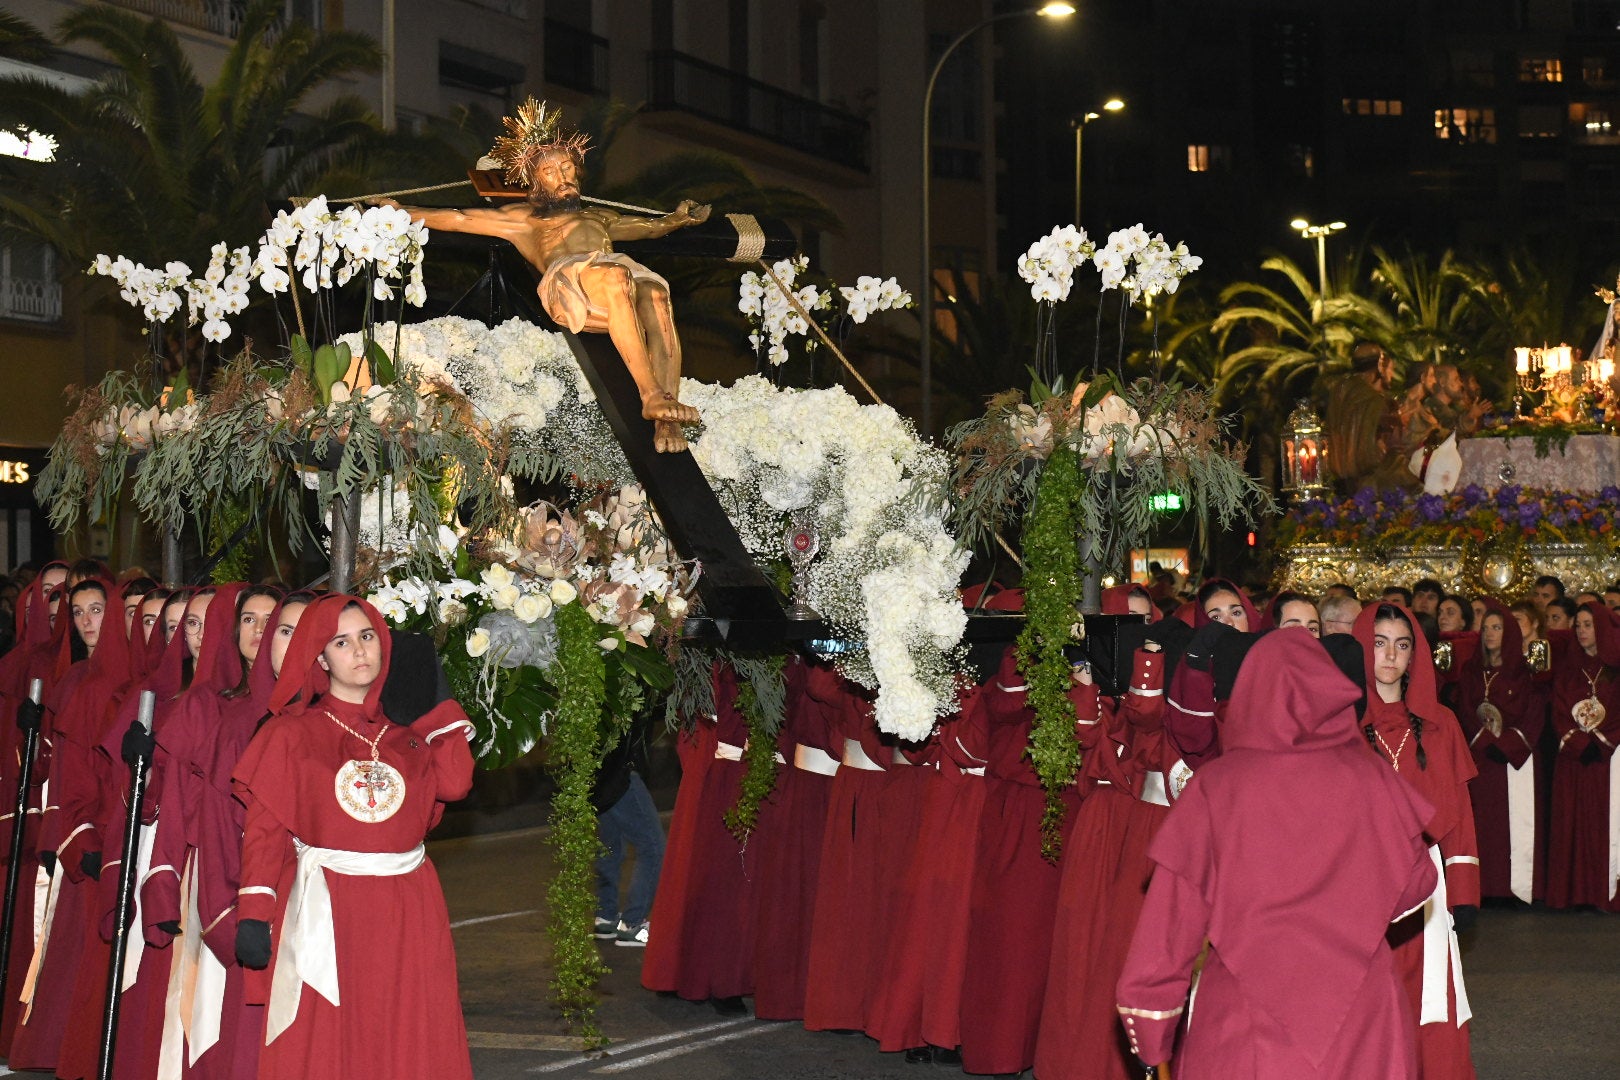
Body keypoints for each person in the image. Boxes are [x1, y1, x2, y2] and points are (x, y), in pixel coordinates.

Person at [1116, 630, 1437, 1080]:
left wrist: (1151, 1038)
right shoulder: (1371, 779)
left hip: (1247, 1014)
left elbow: (1170, 927)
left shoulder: (1218, 787)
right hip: (1362, 1011)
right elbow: (1416, 888)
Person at [232, 596, 476, 1080]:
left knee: (408, 1031)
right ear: (320, 659)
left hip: (408, 908)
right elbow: (264, 832)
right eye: (341, 642)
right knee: (332, 1043)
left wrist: (434, 703)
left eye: (367, 637)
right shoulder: (292, 734)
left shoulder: (408, 733)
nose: (359, 651)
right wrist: (255, 914)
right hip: (330, 907)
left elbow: (456, 785)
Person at [383, 99, 707, 452]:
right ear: (534, 182)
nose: (564, 177)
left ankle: (666, 421)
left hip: (613, 273)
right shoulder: (525, 220)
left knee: (657, 295)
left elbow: (648, 227)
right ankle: (650, 395)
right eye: (551, 172)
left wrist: (676, 219)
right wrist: (403, 211)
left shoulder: (600, 216)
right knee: (616, 276)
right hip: (569, 283)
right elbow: (460, 218)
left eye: (568, 168)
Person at [1352, 603, 1479, 1080]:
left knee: (1430, 1003)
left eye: (1402, 645)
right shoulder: (1341, 722)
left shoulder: (1441, 723)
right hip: (1360, 884)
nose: (1390, 656)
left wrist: (1463, 893)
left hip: (1426, 886)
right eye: (1380, 643)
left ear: (1415, 655)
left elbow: (1460, 815)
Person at [1453, 599, 1544, 903]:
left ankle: (1511, 890)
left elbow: (1533, 714)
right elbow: (1465, 710)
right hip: (1480, 757)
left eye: (1497, 627)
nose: (1490, 633)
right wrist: (1483, 739)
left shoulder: (1523, 673)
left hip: (1511, 760)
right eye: (1486, 627)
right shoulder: (1471, 671)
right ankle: (1485, 889)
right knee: (1483, 826)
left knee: (1511, 825)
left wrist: (1506, 745)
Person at [1544, 602, 1620, 911]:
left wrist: (1601, 741)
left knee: (1604, 824)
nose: (1582, 631)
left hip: (1608, 760)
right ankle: (1572, 894)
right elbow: (1559, 711)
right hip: (1573, 759)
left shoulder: (1615, 671)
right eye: (1578, 626)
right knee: (1571, 822)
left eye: (1588, 625)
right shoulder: (1569, 668)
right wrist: (1578, 742)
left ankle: (1605, 892)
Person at [590, 707, 665, 947]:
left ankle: (606, 917)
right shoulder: (632, 675)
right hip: (621, 773)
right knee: (653, 847)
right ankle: (632, 924)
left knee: (609, 847)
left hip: (597, 774)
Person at [1324, 341, 1400, 491]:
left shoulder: (1339, 389)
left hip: (1338, 478)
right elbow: (1372, 451)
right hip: (1366, 478)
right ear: (1379, 366)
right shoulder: (1374, 400)